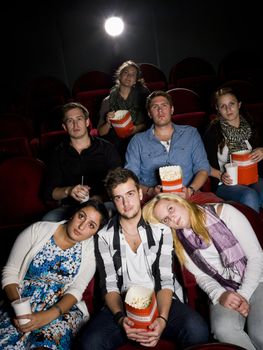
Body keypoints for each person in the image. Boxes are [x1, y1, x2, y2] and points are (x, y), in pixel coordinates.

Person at [76, 167, 209, 350]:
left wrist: (162, 319)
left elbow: (165, 279)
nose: (126, 203)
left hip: (160, 299)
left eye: (130, 194)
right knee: (90, 344)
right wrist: (121, 319)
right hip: (122, 303)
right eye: (118, 198)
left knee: (197, 329)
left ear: (139, 193)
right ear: (113, 201)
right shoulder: (104, 236)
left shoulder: (161, 229)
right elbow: (109, 285)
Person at [143, 193, 263, 350]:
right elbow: (200, 276)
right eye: (165, 219)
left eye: (170, 209)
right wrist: (220, 294)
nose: (171, 218)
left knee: (260, 333)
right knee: (223, 330)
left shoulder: (225, 212)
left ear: (179, 201)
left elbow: (256, 257)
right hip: (224, 287)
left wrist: (244, 295)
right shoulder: (179, 241)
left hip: (256, 279)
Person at [0, 199, 109, 350]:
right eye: (81, 216)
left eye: (91, 225)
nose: (82, 226)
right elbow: (10, 272)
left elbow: (76, 290)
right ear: (73, 214)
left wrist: (48, 316)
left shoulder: (91, 250)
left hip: (62, 309)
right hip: (21, 301)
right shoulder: (37, 230)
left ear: (94, 232)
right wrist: (20, 308)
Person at [125, 90, 211, 202]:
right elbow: (130, 179)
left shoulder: (191, 133)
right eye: (155, 107)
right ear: (150, 113)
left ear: (172, 109)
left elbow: (203, 168)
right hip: (153, 200)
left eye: (164, 105)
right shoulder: (137, 141)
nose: (160, 110)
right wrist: (150, 191)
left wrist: (190, 190)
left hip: (189, 196)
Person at [43, 102, 122, 221]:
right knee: (47, 220)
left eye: (79, 119)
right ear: (65, 127)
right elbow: (49, 192)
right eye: (70, 121)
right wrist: (69, 191)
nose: (75, 124)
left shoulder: (107, 148)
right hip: (70, 208)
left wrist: (100, 198)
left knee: (119, 215)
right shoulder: (57, 153)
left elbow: (119, 182)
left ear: (87, 122)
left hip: (103, 204)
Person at [203, 87, 263, 212]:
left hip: (253, 177)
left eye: (232, 104)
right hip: (226, 183)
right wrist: (220, 175)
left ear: (239, 104)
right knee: (249, 195)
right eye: (223, 106)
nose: (228, 109)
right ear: (217, 109)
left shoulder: (252, 125)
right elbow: (201, 164)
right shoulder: (212, 132)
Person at [97, 60, 150, 160]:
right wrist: (108, 123)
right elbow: (101, 133)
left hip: (140, 137)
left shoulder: (144, 96)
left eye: (133, 74)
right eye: (126, 73)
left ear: (136, 80)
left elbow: (151, 121)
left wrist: (136, 128)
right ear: (119, 76)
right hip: (117, 143)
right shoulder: (107, 101)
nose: (129, 76)